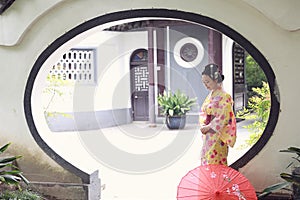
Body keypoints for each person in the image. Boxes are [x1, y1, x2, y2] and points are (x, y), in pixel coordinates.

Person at [199, 63, 237, 166]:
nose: (206, 85)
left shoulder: (225, 96)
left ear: (215, 80)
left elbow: (224, 117)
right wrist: (203, 125)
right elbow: (203, 112)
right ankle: (209, 182)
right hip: (208, 135)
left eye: (207, 82)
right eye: (204, 82)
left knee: (216, 161)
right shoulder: (210, 95)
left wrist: (208, 127)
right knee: (206, 159)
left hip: (217, 134)